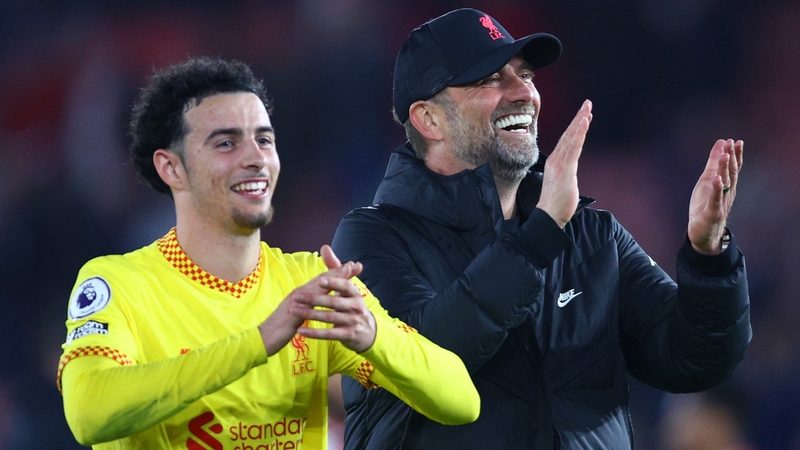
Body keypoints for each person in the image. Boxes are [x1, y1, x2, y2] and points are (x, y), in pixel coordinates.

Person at [331, 8, 751, 450]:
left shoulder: (590, 236)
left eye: (525, 74)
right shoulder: (373, 238)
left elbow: (695, 359)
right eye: (490, 79)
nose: (524, 92)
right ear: (428, 119)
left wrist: (709, 257)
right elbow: (421, 360)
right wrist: (538, 238)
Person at [57, 57, 480, 449]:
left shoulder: (312, 285)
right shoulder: (121, 284)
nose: (256, 158)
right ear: (172, 168)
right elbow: (89, 412)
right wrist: (259, 341)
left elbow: (461, 401)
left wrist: (374, 335)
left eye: (264, 139)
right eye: (226, 143)